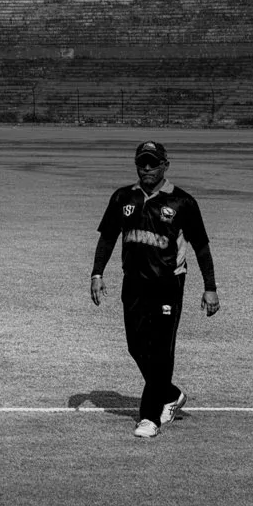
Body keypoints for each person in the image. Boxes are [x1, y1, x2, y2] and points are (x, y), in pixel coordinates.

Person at [90, 139, 219, 438]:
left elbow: (201, 247)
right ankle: (171, 393)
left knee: (161, 351)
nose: (147, 168)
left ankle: (150, 418)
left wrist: (210, 287)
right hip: (132, 284)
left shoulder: (182, 202)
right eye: (142, 163)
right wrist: (97, 273)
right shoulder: (123, 197)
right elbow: (108, 237)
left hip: (168, 285)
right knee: (136, 346)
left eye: (153, 163)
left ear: (165, 166)